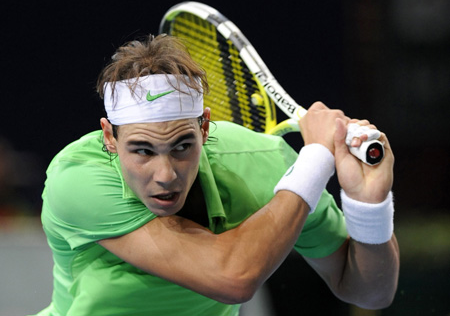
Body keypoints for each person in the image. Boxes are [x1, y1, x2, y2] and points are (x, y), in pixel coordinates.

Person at [34, 34, 399, 316]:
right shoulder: (78, 178)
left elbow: (371, 292)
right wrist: (316, 160)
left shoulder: (264, 164)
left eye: (181, 146)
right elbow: (234, 277)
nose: (165, 175)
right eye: (142, 151)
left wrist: (368, 203)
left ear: (205, 128)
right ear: (110, 137)